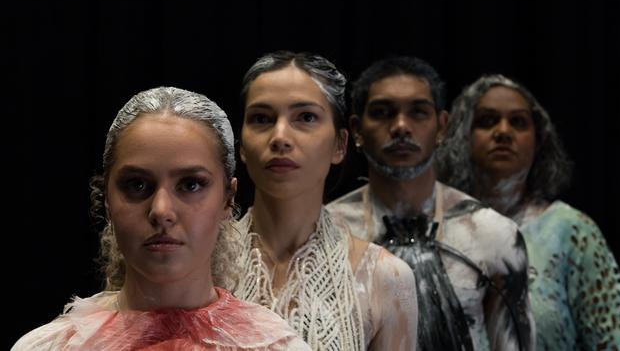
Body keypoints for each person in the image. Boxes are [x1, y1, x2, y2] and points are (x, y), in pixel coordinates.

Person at [12, 87, 309, 350]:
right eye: (137, 185)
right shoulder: (51, 346)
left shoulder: (275, 346)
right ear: (106, 198)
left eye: (191, 184)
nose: (162, 211)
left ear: (228, 199)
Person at [327, 57, 534, 351]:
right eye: (383, 112)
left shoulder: (492, 234)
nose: (400, 126)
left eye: (418, 112)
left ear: (441, 127)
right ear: (357, 130)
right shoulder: (327, 232)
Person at [437, 74, 620, 350]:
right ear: (461, 138)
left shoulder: (569, 230)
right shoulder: (436, 229)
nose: (503, 132)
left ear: (539, 142)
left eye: (518, 122)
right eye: (487, 121)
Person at [233, 51, 418, 351]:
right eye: (262, 119)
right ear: (241, 146)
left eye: (305, 117)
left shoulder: (385, 278)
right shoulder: (202, 262)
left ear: (340, 145)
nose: (280, 136)